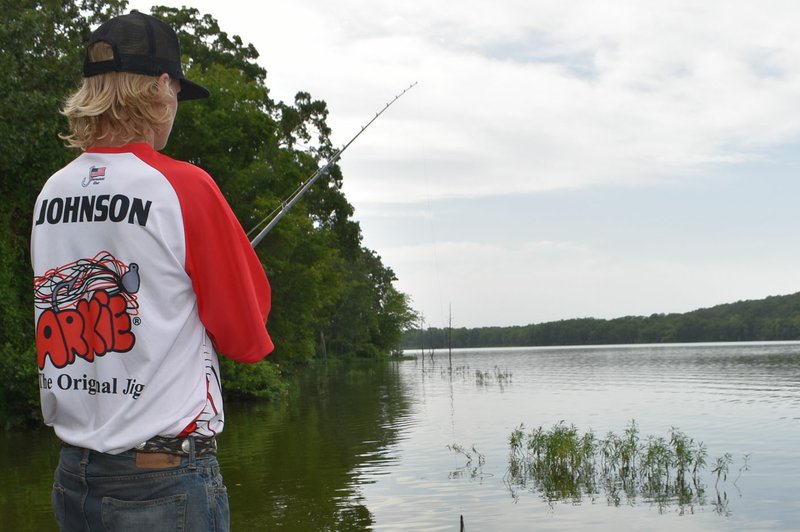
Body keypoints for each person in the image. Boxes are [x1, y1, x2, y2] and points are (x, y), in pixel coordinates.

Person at [30, 10, 274, 531]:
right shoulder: (185, 187)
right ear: (163, 86)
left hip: (74, 478)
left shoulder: (50, 193)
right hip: (163, 483)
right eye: (177, 96)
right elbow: (246, 337)